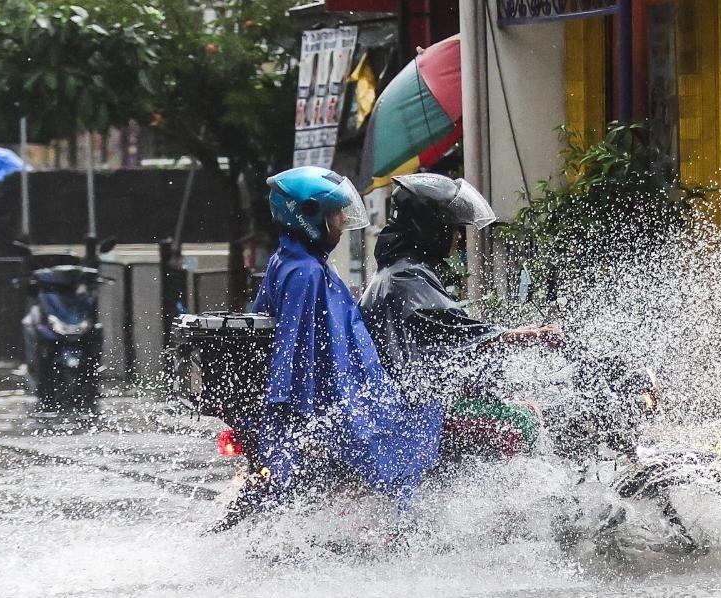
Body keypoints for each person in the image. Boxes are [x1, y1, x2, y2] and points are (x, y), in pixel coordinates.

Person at [216, 167, 440, 530]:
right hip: (340, 404)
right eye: (335, 213)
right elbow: (295, 351)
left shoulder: (295, 262)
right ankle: (405, 532)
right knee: (419, 426)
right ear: (309, 216)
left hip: (344, 396)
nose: (342, 220)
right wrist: (304, 419)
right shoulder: (305, 273)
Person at [359, 173, 560, 458]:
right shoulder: (406, 277)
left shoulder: (402, 270)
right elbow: (460, 334)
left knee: (518, 404)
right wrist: (531, 335)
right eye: (452, 228)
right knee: (520, 422)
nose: (458, 237)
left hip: (411, 406)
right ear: (431, 229)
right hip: (414, 416)